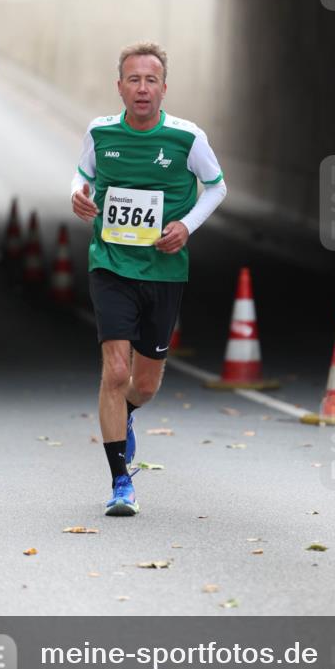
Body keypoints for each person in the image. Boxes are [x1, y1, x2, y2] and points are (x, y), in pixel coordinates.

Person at [71, 42, 227, 516]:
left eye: (151, 80)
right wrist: (77, 197)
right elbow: (81, 174)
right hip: (111, 264)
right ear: (119, 87)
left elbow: (217, 187)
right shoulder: (99, 132)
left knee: (145, 384)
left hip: (163, 270)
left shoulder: (187, 138)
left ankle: (128, 416)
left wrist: (185, 227)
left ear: (163, 88)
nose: (142, 88)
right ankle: (121, 482)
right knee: (115, 373)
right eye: (133, 79)